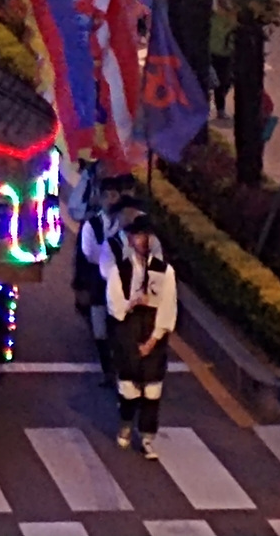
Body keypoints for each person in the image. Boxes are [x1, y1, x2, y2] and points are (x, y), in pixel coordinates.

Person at [107, 216, 177, 460]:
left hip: (152, 330)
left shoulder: (164, 271)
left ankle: (147, 437)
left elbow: (168, 307)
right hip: (129, 329)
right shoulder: (120, 271)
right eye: (138, 236)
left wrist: (154, 339)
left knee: (152, 390)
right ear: (130, 239)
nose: (144, 241)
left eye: (147, 236)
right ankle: (126, 422)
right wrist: (132, 302)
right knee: (129, 388)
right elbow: (114, 306)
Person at [77, 176, 123, 387]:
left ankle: (121, 370)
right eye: (108, 196)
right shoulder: (91, 225)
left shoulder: (127, 222)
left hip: (123, 285)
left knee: (120, 328)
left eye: (115, 195)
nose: (112, 200)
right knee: (100, 331)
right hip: (99, 285)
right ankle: (108, 370)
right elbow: (89, 255)